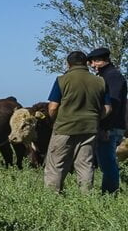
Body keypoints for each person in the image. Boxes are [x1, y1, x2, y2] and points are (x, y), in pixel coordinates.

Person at [44, 50, 109, 193]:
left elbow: (53, 107)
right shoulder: (100, 81)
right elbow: (107, 108)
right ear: (86, 63)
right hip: (89, 128)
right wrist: (95, 118)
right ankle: (86, 197)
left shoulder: (62, 80)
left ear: (68, 64)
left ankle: (52, 196)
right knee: (85, 164)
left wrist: (56, 121)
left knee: (56, 164)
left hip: (64, 127)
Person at [87, 47, 126, 193]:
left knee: (107, 162)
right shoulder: (108, 75)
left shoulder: (112, 76)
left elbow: (114, 103)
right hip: (110, 125)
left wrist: (105, 127)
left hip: (110, 127)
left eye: (94, 62)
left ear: (103, 60)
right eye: (91, 62)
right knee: (106, 161)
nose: (92, 65)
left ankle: (110, 193)